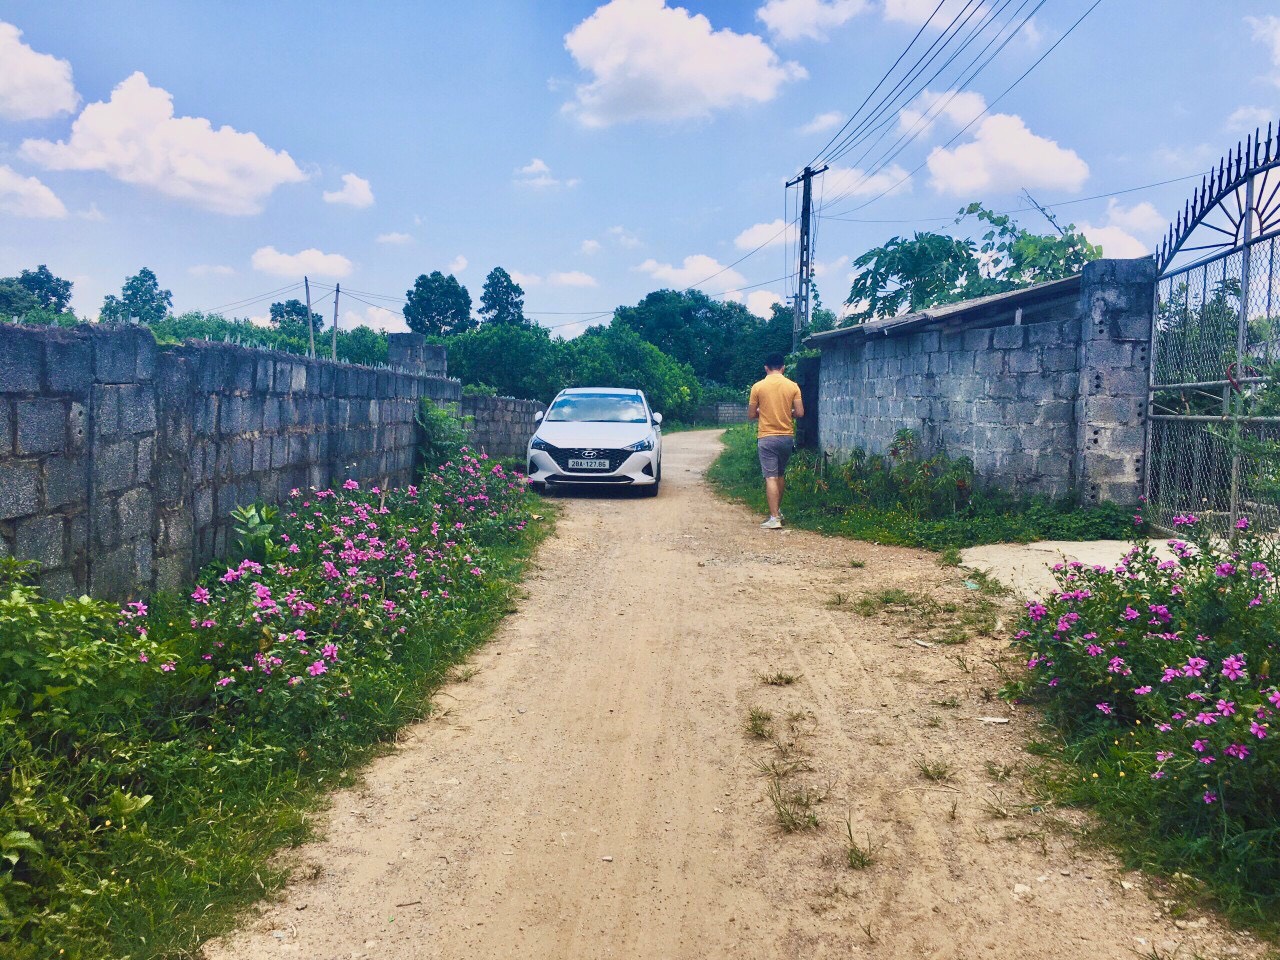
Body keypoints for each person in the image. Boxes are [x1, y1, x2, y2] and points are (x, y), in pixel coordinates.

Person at [747, 352, 803, 530]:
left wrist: (763, 412)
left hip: (767, 437)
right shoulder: (793, 386)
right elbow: (800, 413)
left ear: (766, 368)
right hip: (786, 437)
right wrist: (788, 412)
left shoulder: (758, 387)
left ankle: (774, 517)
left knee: (770, 477)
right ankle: (777, 511)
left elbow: (751, 414)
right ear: (783, 368)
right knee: (779, 475)